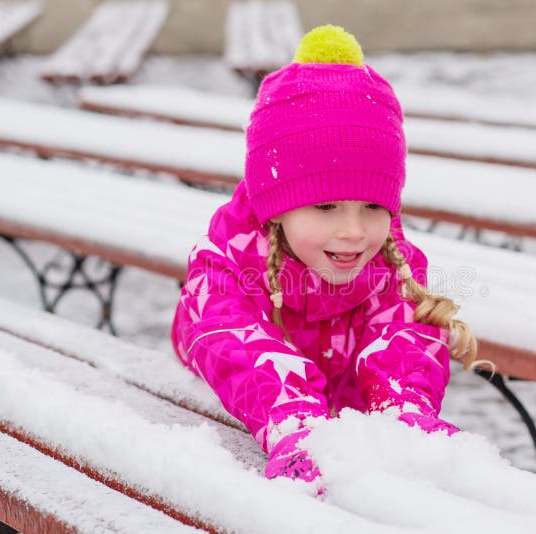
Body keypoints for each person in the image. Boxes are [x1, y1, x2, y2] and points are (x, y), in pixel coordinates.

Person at [171, 25, 478, 483]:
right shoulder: (226, 265)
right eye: (325, 206)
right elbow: (231, 341)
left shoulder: (391, 264)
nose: (353, 231)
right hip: (232, 444)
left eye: (373, 206)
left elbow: (405, 337)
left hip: (349, 454)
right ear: (276, 203)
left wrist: (404, 410)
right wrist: (295, 420)